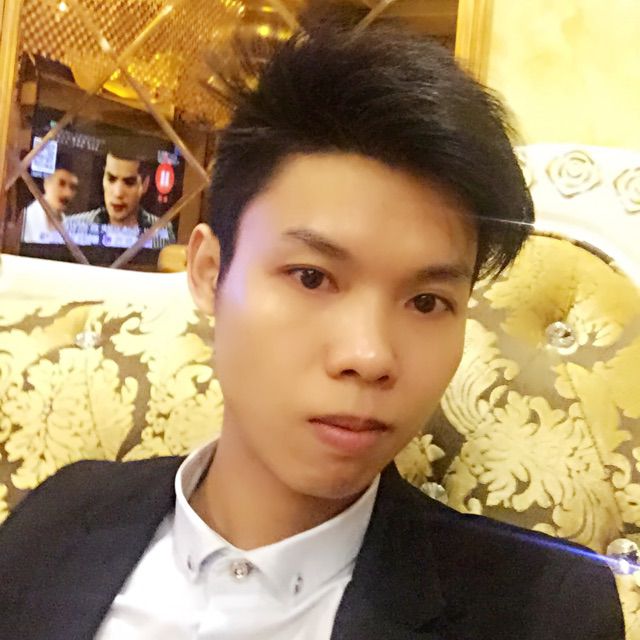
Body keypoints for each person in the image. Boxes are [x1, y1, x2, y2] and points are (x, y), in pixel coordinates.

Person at [0, 5, 623, 640]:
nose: (369, 356)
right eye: (311, 277)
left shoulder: (544, 613)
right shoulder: (61, 515)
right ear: (210, 273)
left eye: (427, 302)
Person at [65, 150, 175, 248]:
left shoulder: (162, 230)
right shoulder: (73, 226)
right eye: (111, 179)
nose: (118, 193)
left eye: (129, 182)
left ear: (144, 185)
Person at [21, 159, 78, 243]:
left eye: (72, 187)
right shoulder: (26, 219)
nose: (68, 193)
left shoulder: (69, 226)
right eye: (61, 184)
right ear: (47, 183)